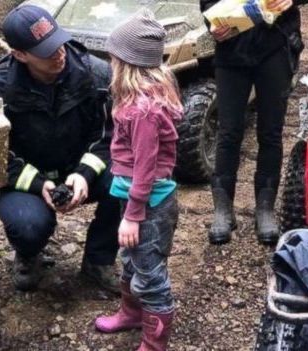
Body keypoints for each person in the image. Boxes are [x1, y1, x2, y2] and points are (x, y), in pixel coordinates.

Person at [0, 4, 120, 293]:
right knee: (27, 226)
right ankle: (29, 253)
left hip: (78, 166)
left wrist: (84, 174)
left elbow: (109, 134)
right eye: (46, 51)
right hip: (27, 177)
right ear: (19, 55)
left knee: (125, 184)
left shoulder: (98, 75)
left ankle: (99, 260)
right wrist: (39, 184)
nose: (59, 53)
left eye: (59, 42)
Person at [93, 9, 183, 351]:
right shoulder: (133, 102)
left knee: (149, 271)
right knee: (131, 261)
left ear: (125, 63)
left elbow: (145, 169)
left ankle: (154, 342)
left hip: (148, 204)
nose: (109, 63)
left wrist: (133, 215)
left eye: (112, 58)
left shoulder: (143, 112)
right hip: (132, 195)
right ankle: (131, 313)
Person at [200, 0, 308, 245]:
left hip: (275, 48)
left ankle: (265, 209)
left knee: (271, 132)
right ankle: (223, 209)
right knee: (228, 131)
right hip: (232, 48)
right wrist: (211, 23)